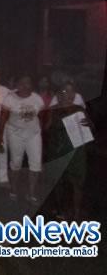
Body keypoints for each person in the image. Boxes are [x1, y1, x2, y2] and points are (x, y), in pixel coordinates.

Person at [45, 82, 93, 220]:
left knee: (77, 182)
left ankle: (76, 211)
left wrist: (88, 124)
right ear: (60, 94)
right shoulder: (53, 109)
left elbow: (91, 126)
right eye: (66, 92)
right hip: (58, 149)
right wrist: (58, 122)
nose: (69, 95)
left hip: (76, 149)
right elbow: (46, 129)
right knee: (58, 181)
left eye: (72, 92)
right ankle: (60, 209)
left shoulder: (79, 109)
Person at [0, 75, 45, 204]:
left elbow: (42, 116)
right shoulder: (10, 98)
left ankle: (31, 193)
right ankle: (13, 189)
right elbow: (3, 118)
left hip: (33, 135)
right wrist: (0, 137)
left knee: (35, 165)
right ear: (17, 85)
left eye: (28, 83)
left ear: (32, 85)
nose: (25, 86)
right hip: (15, 134)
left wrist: (43, 132)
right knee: (16, 163)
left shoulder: (37, 99)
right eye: (22, 83)